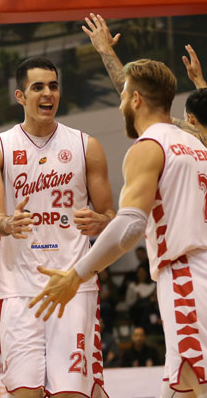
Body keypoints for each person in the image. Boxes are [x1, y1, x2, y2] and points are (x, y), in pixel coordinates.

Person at [29, 58, 207, 397]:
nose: (121, 103)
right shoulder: (197, 144)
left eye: (124, 95)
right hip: (196, 271)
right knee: (181, 385)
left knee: (195, 384)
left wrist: (75, 275)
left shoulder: (149, 147)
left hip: (186, 277)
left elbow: (130, 226)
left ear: (136, 99)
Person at [0, 56, 115, 397]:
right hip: (20, 290)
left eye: (53, 86)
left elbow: (113, 218)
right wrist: (8, 222)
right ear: (20, 96)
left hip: (73, 286)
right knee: (24, 393)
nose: (47, 93)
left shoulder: (87, 146)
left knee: (72, 393)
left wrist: (101, 221)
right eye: (37, 86)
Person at [81, 13, 207, 147]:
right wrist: (198, 81)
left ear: (192, 120)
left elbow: (131, 91)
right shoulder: (198, 141)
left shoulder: (184, 137)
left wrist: (105, 49)